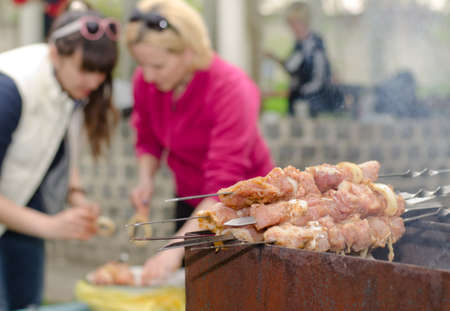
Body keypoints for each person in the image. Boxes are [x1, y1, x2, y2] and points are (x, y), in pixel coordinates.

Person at [126, 0, 274, 284]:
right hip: (193, 203)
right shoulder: (146, 82)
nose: (147, 75)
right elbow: (147, 138)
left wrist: (174, 249)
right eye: (141, 64)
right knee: (194, 289)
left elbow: (223, 186)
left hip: (246, 209)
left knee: (240, 290)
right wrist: (145, 179)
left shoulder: (232, 89)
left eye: (157, 65)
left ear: (189, 51)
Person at [0, 5, 119, 309]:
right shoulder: (9, 89)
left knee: (26, 302)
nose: (93, 82)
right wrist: (50, 226)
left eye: (101, 72)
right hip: (15, 207)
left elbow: (56, 143)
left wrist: (76, 196)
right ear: (55, 53)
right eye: (85, 69)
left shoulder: (72, 86)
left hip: (22, 204)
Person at [265, 1, 342, 117]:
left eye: (293, 23)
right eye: (289, 23)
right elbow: (291, 67)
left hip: (314, 106)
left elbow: (317, 81)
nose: (291, 27)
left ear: (303, 22)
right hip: (299, 104)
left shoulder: (314, 46)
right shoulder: (300, 45)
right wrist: (274, 58)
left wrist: (282, 93)